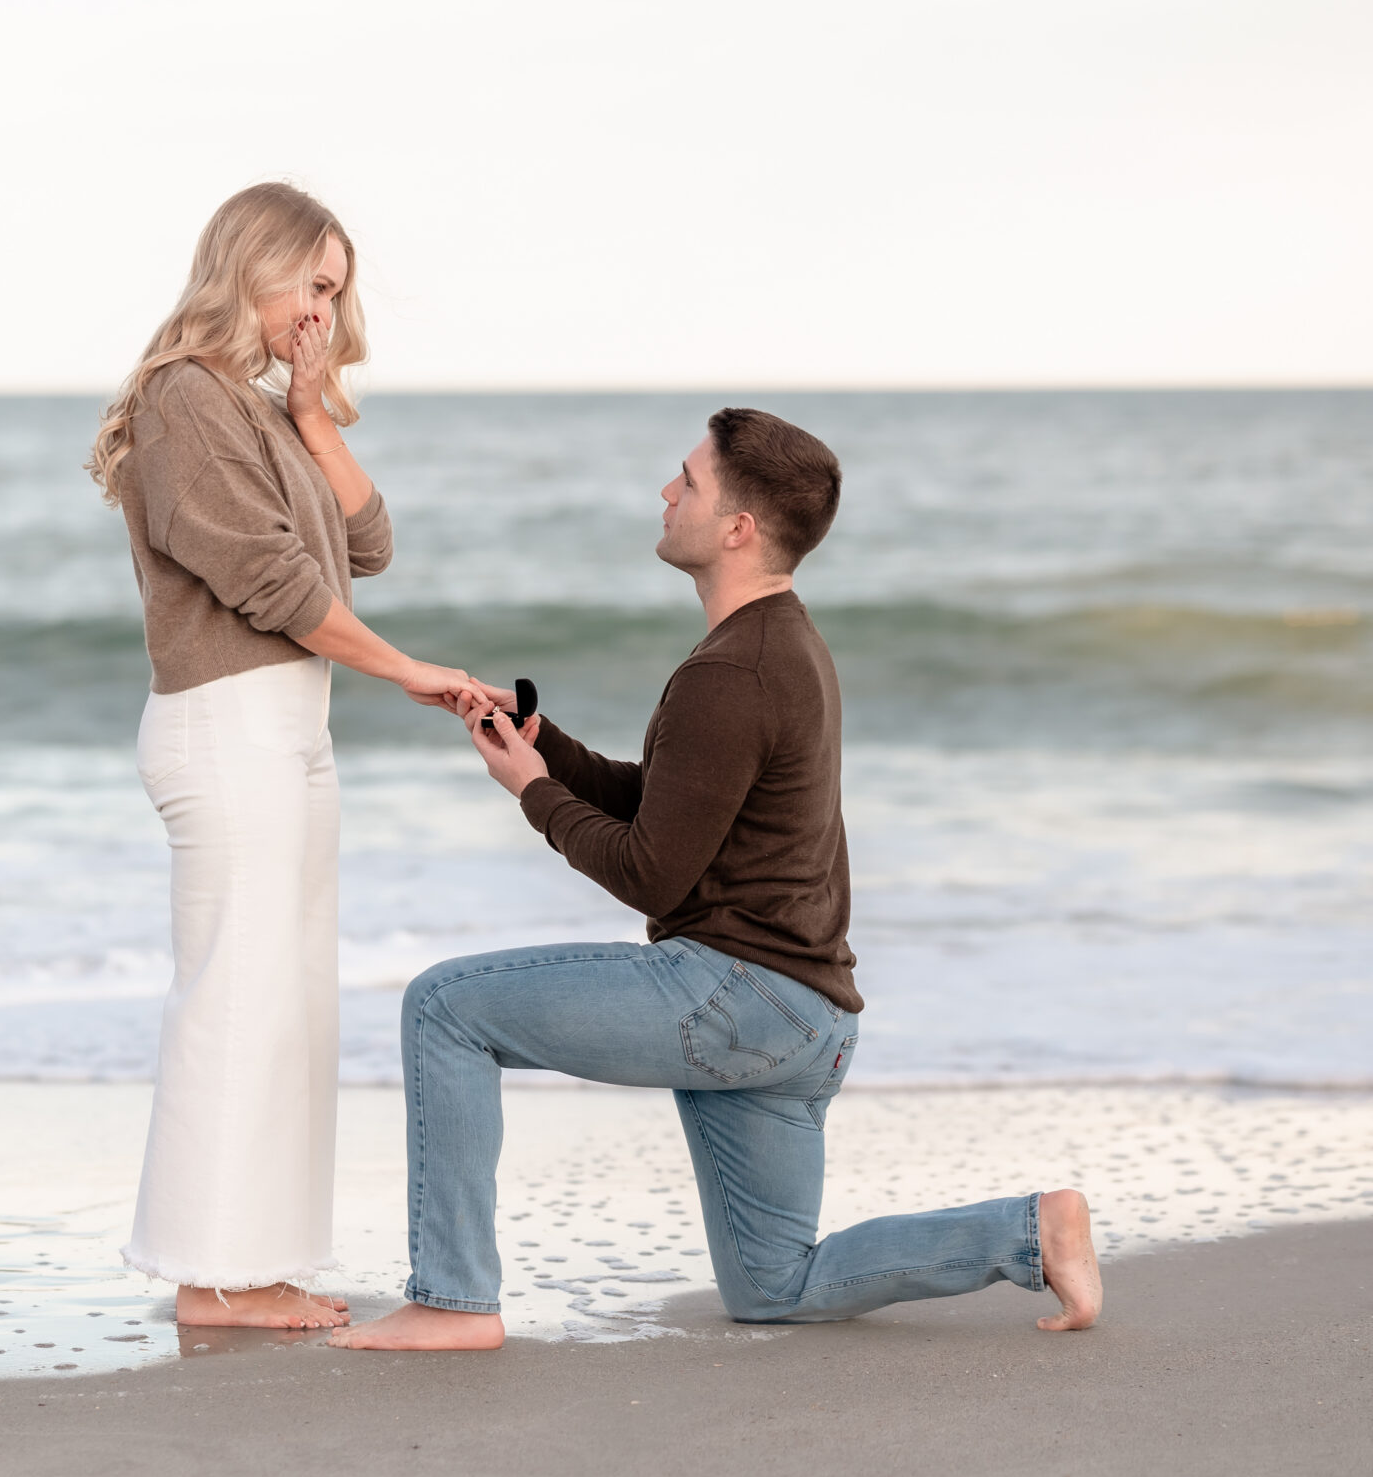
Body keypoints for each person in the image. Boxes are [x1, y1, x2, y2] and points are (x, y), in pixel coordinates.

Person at [330, 405, 1101, 1353]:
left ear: (736, 527)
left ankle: (452, 1302)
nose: (666, 492)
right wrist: (545, 747)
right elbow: (669, 804)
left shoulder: (732, 672)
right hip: (805, 1018)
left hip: (735, 997)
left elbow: (652, 873)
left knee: (446, 1007)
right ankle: (1030, 1230)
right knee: (774, 1287)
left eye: (687, 482)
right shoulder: (780, 645)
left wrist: (532, 794)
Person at [89, 183, 487, 1330]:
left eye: (334, 292)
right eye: (309, 285)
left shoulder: (260, 409)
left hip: (286, 728)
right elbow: (270, 582)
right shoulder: (183, 400)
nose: (322, 310)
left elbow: (367, 541)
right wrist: (404, 668)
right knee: (235, 997)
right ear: (247, 267)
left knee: (286, 1002)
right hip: (225, 729)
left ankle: (251, 1260)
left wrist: (315, 409)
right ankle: (209, 1277)